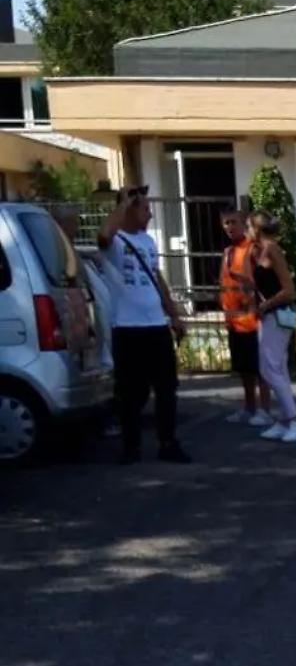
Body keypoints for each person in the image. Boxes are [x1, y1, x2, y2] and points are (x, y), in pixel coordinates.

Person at [98, 186, 191, 464]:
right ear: (129, 209)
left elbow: (157, 279)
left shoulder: (148, 241)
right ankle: (131, 447)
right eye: (145, 209)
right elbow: (103, 235)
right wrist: (123, 203)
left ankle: (168, 443)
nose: (150, 215)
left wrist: (173, 315)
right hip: (127, 328)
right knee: (131, 393)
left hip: (156, 326)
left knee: (166, 388)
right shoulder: (116, 242)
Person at [247, 211, 296, 443]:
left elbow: (289, 290)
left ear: (257, 228)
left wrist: (266, 305)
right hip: (270, 316)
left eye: (248, 226)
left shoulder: (273, 249)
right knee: (277, 368)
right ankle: (285, 420)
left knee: (270, 369)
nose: (246, 231)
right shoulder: (260, 251)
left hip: (278, 315)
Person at [218, 207, 272, 427]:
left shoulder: (252, 249)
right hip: (234, 320)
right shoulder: (227, 252)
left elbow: (260, 281)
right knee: (244, 370)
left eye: (234, 222)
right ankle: (249, 408)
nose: (230, 227)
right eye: (226, 223)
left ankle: (265, 410)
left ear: (243, 224)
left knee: (260, 369)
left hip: (252, 320)